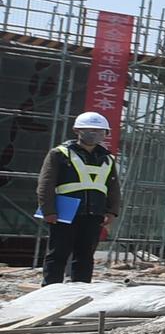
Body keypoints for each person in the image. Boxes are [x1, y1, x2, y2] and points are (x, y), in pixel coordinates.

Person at [37, 111, 120, 285]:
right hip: (64, 212)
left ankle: (80, 291)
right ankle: (50, 290)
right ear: (77, 130)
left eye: (99, 131)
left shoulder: (107, 158)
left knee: (85, 255)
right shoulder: (59, 154)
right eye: (88, 130)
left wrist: (111, 211)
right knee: (58, 252)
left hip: (94, 212)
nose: (94, 134)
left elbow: (113, 188)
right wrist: (48, 210)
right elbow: (46, 183)